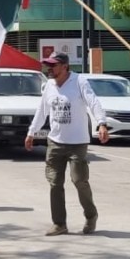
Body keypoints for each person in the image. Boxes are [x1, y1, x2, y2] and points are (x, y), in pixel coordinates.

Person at [25, 52, 110, 236]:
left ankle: (91, 215)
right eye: (48, 65)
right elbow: (42, 110)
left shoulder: (79, 82)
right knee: (55, 183)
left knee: (79, 180)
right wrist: (31, 132)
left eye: (53, 65)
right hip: (55, 142)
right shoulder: (49, 85)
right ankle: (59, 224)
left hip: (77, 143)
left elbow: (93, 102)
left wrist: (102, 123)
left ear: (65, 66)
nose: (50, 69)